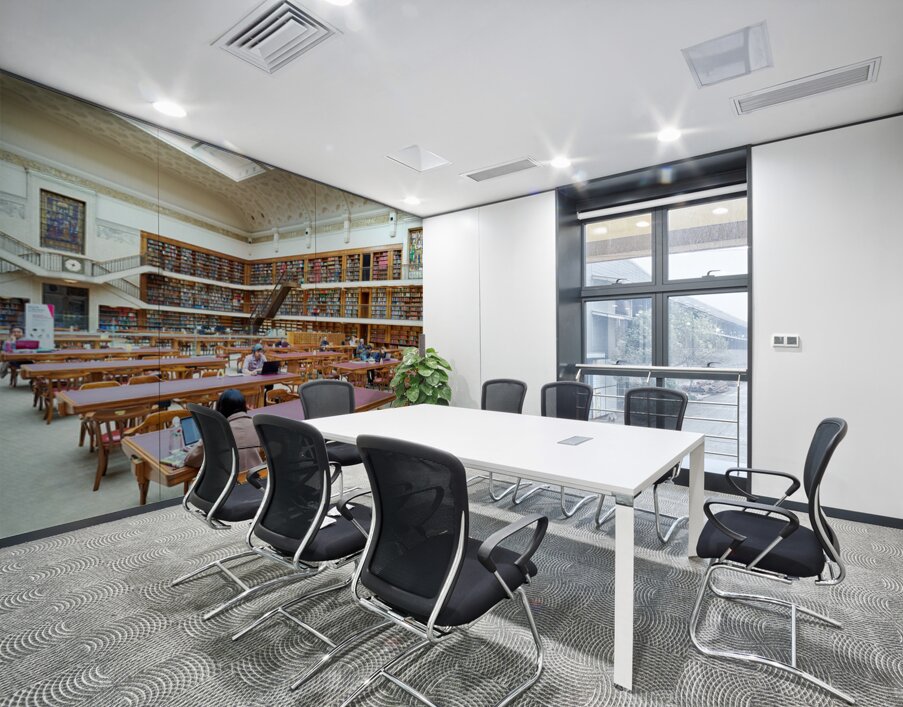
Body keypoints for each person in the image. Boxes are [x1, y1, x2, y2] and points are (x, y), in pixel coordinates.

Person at [184, 389, 263, 472]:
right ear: (244, 406)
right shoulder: (258, 425)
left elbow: (191, 460)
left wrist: (203, 439)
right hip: (256, 480)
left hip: (229, 483)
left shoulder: (217, 431)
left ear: (221, 409)